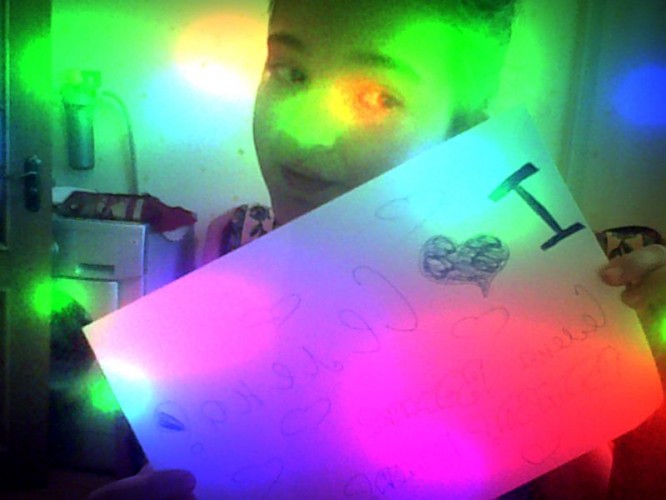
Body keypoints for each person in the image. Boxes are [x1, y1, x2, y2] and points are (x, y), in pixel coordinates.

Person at [88, 0, 666, 498]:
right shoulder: (225, 311)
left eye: (376, 96)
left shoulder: (551, 329)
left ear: (463, 128)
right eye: (288, 71)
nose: (303, 130)